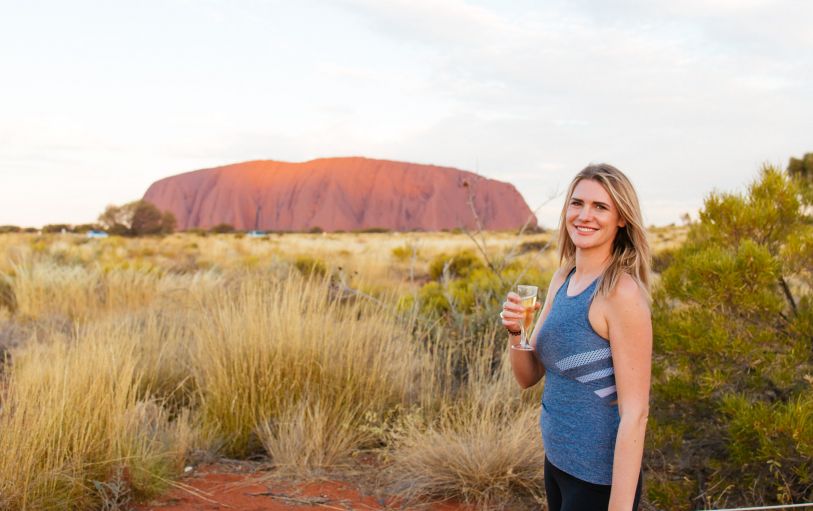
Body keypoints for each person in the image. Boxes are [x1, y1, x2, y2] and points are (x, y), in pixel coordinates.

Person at [500, 163, 652, 511]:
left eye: (601, 207)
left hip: (597, 481)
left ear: (621, 219)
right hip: (557, 463)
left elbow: (636, 413)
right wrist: (516, 331)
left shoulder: (620, 293)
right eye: (577, 203)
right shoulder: (564, 276)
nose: (585, 215)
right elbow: (528, 376)